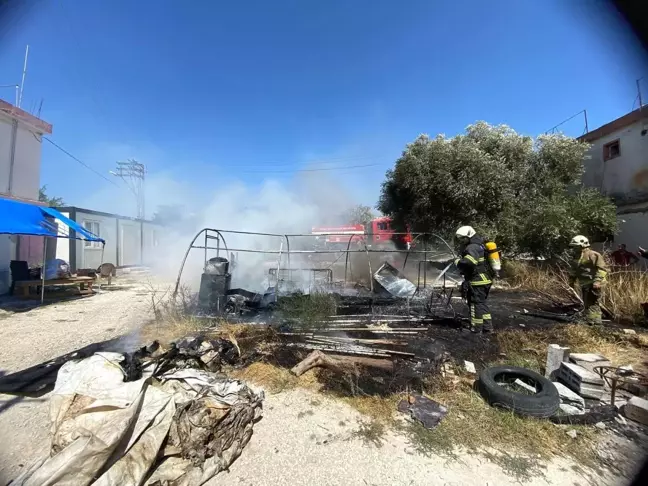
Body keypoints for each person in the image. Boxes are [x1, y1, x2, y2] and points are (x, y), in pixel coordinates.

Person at [454, 225, 493, 333]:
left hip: (478, 280)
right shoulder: (479, 245)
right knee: (481, 303)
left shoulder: (471, 247)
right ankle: (487, 327)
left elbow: (469, 262)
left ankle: (476, 328)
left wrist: (457, 262)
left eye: (463, 238)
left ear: (469, 236)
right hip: (485, 279)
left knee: (475, 304)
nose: (462, 241)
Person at [568, 235, 608, 326]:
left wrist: (597, 281)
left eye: (576, 246)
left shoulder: (593, 255)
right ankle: (590, 322)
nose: (574, 248)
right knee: (587, 304)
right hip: (584, 284)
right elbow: (574, 270)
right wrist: (571, 282)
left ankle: (597, 324)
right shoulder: (576, 257)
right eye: (573, 246)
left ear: (582, 245)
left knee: (593, 304)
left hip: (593, 283)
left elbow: (602, 269)